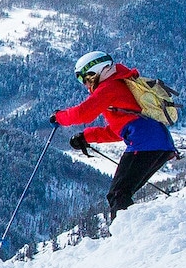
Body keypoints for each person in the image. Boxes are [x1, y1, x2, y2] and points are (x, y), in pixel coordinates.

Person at [50, 50, 176, 218]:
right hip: (159, 144)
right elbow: (119, 130)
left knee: (118, 194)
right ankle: (131, 231)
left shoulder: (110, 86)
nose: (86, 84)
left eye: (86, 78)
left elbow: (83, 113)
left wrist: (59, 117)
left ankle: (127, 236)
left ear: (99, 71)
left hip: (146, 144)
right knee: (121, 193)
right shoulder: (119, 85)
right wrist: (87, 137)